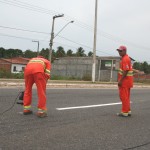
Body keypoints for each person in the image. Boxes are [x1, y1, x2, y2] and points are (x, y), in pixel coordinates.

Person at [116, 45, 133, 117]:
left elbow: (125, 71)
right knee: (127, 97)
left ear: (124, 51)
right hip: (127, 81)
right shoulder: (125, 58)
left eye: (120, 51)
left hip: (124, 82)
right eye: (118, 51)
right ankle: (128, 110)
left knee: (124, 97)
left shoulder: (125, 59)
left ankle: (124, 112)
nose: (119, 52)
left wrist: (120, 81)